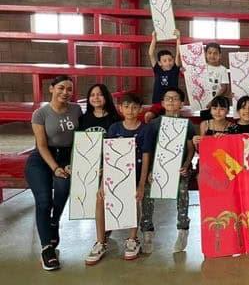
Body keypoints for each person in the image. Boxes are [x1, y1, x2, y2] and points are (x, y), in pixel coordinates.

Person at [25, 75, 82, 270]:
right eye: (61, 88)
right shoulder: (40, 114)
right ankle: (47, 249)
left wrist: (71, 163)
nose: (65, 92)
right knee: (43, 200)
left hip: (66, 158)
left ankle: (53, 223)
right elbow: (41, 145)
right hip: (43, 159)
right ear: (51, 89)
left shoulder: (76, 109)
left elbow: (80, 139)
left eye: (69, 89)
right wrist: (55, 167)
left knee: (63, 191)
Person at [85, 93, 147, 265]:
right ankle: (100, 242)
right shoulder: (114, 128)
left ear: (140, 109)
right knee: (100, 200)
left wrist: (141, 184)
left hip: (134, 174)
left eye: (135, 107)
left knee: (134, 200)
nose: (130, 110)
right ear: (120, 108)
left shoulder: (145, 129)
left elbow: (147, 156)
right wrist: (103, 183)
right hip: (114, 175)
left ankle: (133, 239)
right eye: (126, 106)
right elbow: (108, 156)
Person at [139, 87, 196, 254]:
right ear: (162, 103)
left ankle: (183, 229)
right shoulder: (154, 125)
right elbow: (147, 151)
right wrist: (149, 171)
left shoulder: (188, 124)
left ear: (182, 103)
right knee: (148, 194)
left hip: (180, 169)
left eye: (175, 98)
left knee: (183, 191)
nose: (171, 101)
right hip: (155, 169)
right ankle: (147, 230)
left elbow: (191, 148)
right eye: (168, 98)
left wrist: (186, 165)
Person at [145, 29, 181, 123]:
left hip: (172, 103)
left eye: (170, 60)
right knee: (148, 116)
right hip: (158, 102)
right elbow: (150, 53)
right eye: (165, 61)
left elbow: (178, 54)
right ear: (160, 63)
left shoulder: (175, 70)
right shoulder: (157, 70)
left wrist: (178, 38)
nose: (168, 62)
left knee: (173, 120)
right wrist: (154, 38)